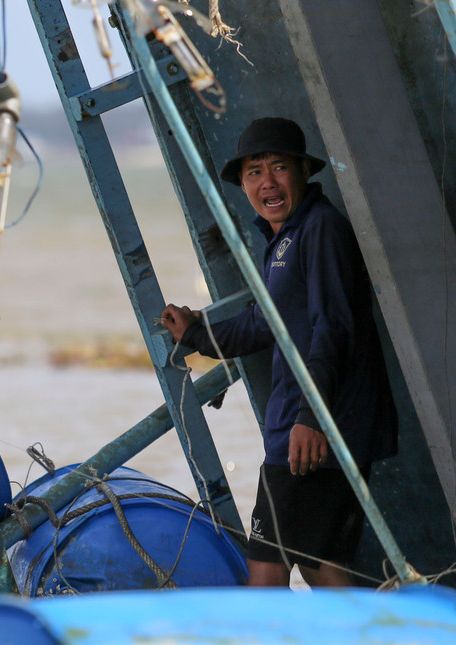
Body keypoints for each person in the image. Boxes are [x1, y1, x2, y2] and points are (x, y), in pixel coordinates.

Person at [159, 117, 396, 588]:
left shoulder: (321, 229)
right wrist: (196, 335)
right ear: (244, 184)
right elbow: (263, 324)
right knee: (318, 564)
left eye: (278, 167)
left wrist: (311, 417)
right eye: (254, 172)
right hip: (305, 427)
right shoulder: (284, 239)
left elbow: (336, 327)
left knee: (265, 571)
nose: (267, 182)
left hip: (314, 431)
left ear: (304, 170)